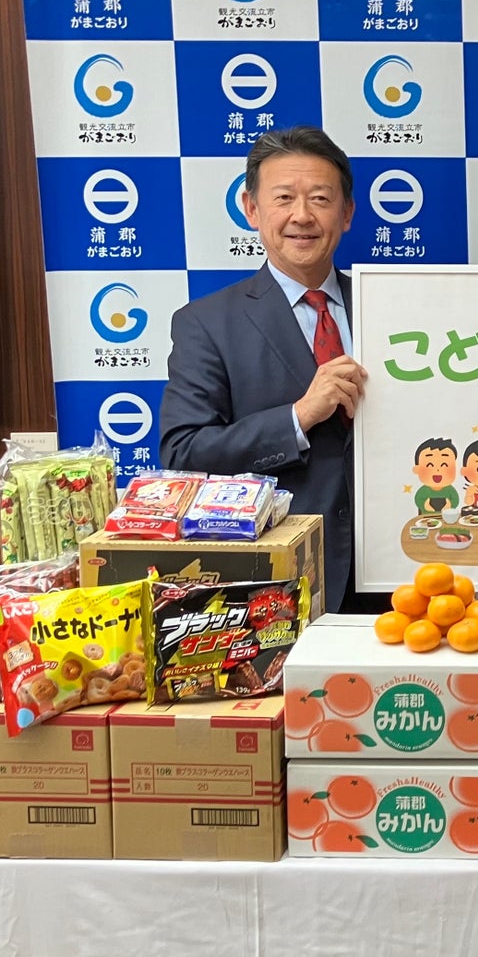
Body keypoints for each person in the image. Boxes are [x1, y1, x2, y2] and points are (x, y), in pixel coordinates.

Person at [159, 126, 377, 612]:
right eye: (284, 198)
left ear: (346, 213)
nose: (302, 215)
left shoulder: (391, 308)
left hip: (397, 577)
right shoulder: (207, 323)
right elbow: (183, 452)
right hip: (277, 583)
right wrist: (297, 418)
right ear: (252, 209)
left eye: (320, 198)